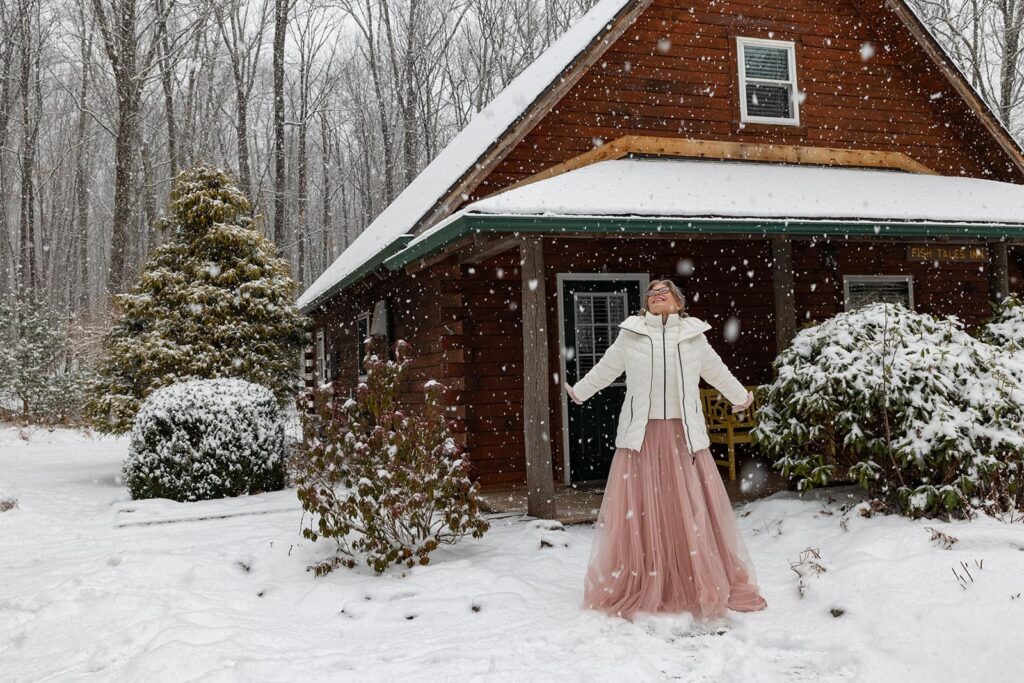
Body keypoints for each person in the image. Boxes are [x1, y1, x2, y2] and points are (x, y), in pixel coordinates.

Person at [565, 278, 768, 622]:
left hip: (683, 434)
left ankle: (690, 577)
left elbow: (716, 371)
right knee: (643, 507)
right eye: (652, 292)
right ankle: (646, 577)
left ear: (678, 301)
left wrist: (740, 397)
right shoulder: (631, 334)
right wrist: (581, 391)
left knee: (685, 506)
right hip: (640, 435)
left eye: (665, 291)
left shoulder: (692, 337)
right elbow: (606, 368)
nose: (657, 294)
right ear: (646, 302)